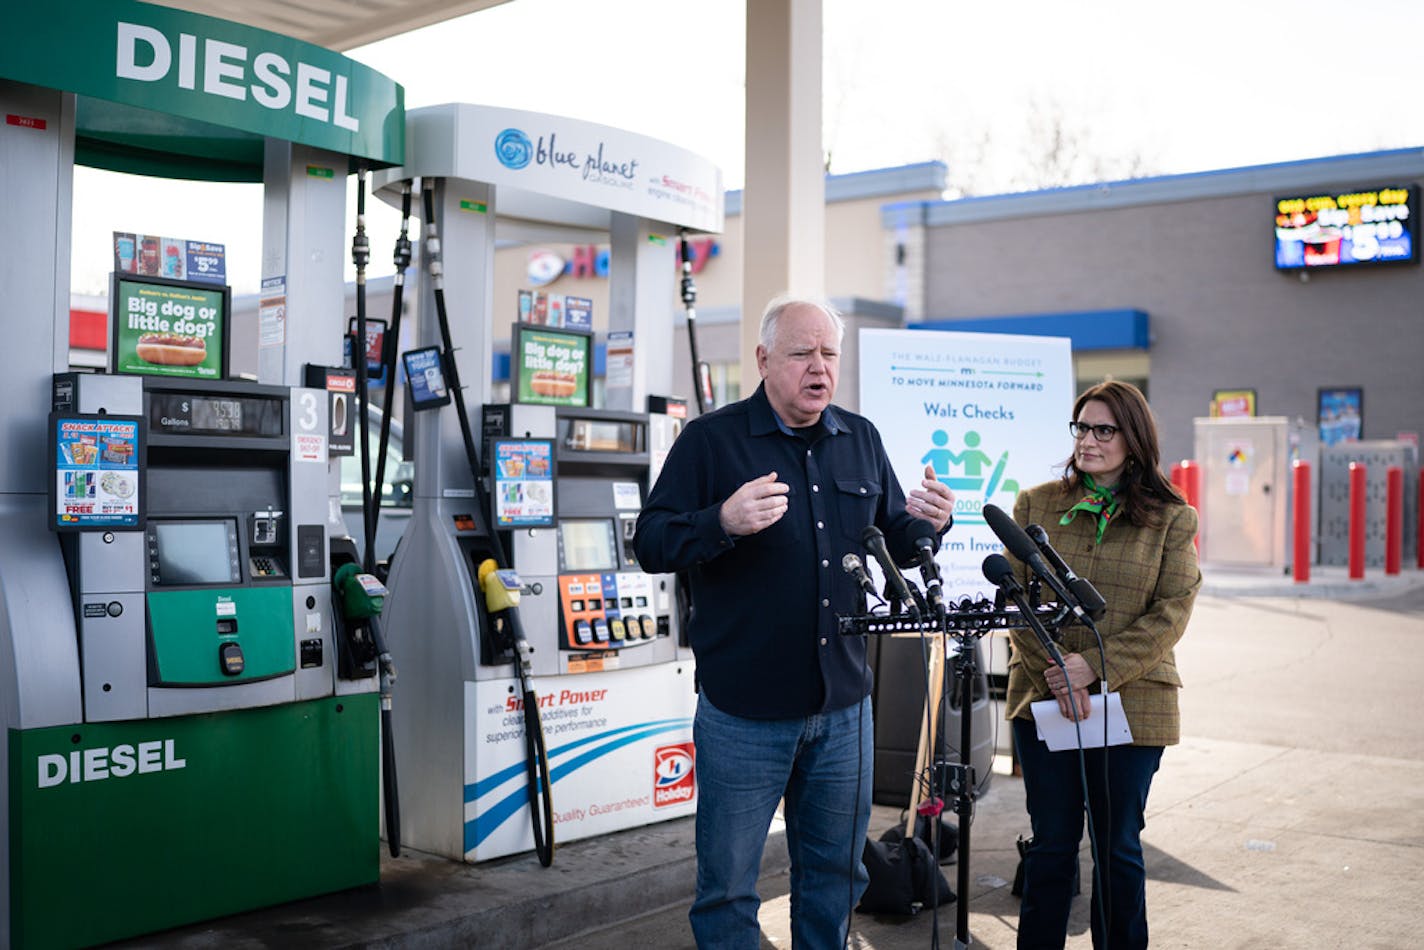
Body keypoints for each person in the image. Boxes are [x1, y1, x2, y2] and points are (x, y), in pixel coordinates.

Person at [634, 296, 955, 948]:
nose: (819, 368)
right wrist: (719, 521)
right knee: (727, 890)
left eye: (829, 354)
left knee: (836, 879)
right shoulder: (711, 441)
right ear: (763, 360)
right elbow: (651, 543)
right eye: (802, 354)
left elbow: (891, 537)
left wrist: (930, 524)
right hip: (744, 714)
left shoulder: (859, 437)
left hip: (843, 708)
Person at [1003, 379, 1201, 950]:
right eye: (1082, 427)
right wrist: (1057, 674)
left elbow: (1170, 615)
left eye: (1103, 430)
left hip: (1133, 703)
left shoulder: (1171, 518)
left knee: (1117, 845)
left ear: (1132, 440)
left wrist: (1091, 666)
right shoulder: (1036, 504)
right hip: (1045, 701)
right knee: (1051, 845)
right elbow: (1016, 601)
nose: (1088, 440)